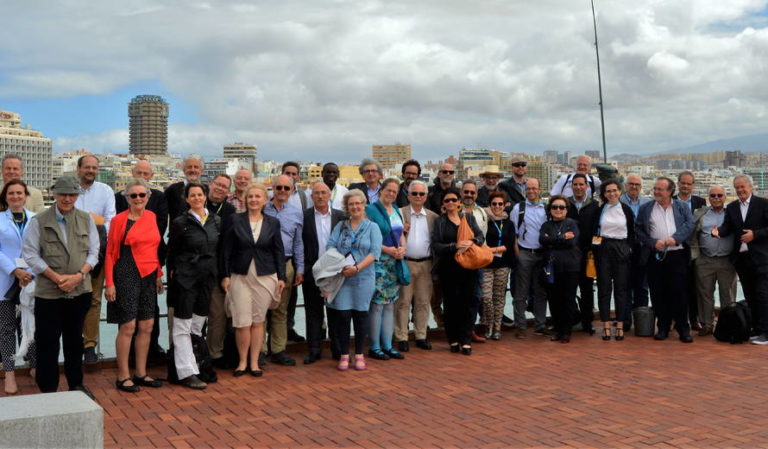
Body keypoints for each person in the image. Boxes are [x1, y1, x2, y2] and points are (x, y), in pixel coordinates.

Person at [22, 176, 99, 398]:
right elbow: (30, 254)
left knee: (75, 341)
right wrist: (55, 277)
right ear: (54, 195)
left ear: (77, 196)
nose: (67, 198)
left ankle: (76, 384)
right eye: (63, 194)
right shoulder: (39, 221)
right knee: (48, 343)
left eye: (72, 194)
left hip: (79, 290)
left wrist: (79, 275)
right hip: (49, 293)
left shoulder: (87, 220)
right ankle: (48, 390)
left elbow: (94, 252)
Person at [104, 179, 164, 393]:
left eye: (142, 195)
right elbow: (110, 253)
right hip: (125, 273)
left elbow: (154, 249)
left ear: (148, 197)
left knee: (147, 325)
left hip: (149, 275)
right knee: (128, 326)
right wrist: (109, 283)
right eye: (133, 195)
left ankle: (141, 372)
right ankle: (123, 375)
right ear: (126, 198)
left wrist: (158, 274)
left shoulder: (152, 216)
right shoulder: (119, 220)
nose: (138, 199)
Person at [220, 183, 285, 377]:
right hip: (239, 276)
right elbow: (226, 251)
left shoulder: (273, 222)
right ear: (245, 200)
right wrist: (224, 275)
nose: (254, 200)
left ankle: (255, 362)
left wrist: (281, 276)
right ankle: (242, 362)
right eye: (251, 197)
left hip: (265, 276)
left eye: (258, 197)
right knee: (242, 321)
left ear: (265, 200)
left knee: (258, 321)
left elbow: (278, 251)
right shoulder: (235, 220)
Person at [167, 183, 221, 389]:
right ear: (187, 199)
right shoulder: (180, 222)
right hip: (185, 278)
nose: (197, 198)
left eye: (200, 194)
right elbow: (172, 253)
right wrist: (174, 277)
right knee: (182, 325)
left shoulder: (216, 220)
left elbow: (220, 250)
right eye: (193, 195)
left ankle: (198, 365)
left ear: (205, 197)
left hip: (207, 278)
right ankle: (186, 372)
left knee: (198, 324)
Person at [114, 159, 168, 361]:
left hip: (152, 260)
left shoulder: (159, 198)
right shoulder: (120, 197)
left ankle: (151, 351)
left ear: (151, 177)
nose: (142, 177)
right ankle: (126, 359)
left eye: (146, 174)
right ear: (132, 172)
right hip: (126, 262)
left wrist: (143, 236)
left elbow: (161, 226)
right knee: (127, 316)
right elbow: (117, 227)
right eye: (139, 172)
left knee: (150, 313)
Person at [325, 189, 382, 371]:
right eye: (351, 204)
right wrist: (342, 266)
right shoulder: (341, 226)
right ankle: (343, 353)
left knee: (360, 315)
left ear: (364, 204)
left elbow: (375, 252)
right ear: (346, 207)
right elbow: (330, 246)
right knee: (342, 315)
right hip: (342, 277)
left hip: (364, 277)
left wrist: (357, 268)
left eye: (358, 203)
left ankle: (358, 353)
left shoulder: (372, 227)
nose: (355, 207)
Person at [635, 177, 695, 343]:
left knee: (680, 293)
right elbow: (638, 230)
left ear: (670, 191)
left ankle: (683, 328)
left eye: (660, 189)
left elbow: (690, 225)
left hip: (677, 255)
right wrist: (653, 243)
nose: (656, 192)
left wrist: (675, 239)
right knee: (658, 292)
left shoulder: (682, 207)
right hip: (656, 256)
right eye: (655, 189)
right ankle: (662, 327)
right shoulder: (646, 208)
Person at [712, 175, 768, 344]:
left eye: (743, 187)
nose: (740, 190)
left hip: (762, 258)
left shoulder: (763, 203)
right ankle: (756, 329)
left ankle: (766, 332)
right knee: (750, 296)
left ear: (751, 187)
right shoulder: (732, 207)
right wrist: (718, 232)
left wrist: (755, 235)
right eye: (737, 188)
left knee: (763, 295)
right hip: (742, 260)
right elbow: (728, 227)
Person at [432, 187, 484, 355]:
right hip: (449, 268)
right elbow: (436, 246)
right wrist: (454, 246)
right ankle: (453, 339)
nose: (451, 203)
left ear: (459, 202)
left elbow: (480, 237)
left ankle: (466, 339)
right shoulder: (440, 222)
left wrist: (471, 242)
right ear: (443, 204)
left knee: (468, 304)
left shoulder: (468, 218)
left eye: (454, 200)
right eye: (447, 200)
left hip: (468, 267)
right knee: (451, 305)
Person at [75, 154, 116, 365]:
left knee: (94, 300)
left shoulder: (105, 191)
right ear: (78, 169)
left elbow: (110, 222)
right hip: (71, 253)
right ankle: (73, 342)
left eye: (94, 168)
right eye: (87, 167)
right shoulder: (69, 189)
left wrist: (85, 220)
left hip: (97, 252)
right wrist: (94, 220)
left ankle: (89, 345)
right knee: (71, 299)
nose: (91, 170)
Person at [263, 175, 304, 366]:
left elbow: (298, 243)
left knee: (281, 309)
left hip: (286, 264)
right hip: (263, 263)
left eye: (286, 188)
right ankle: (260, 350)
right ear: (272, 188)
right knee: (261, 310)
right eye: (278, 187)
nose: (282, 191)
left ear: (292, 190)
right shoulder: (262, 208)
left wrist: (299, 268)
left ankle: (278, 349)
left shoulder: (296, 213)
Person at [301, 181, 345, 364]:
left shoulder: (341, 217)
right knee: (313, 313)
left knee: (336, 312)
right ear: (311, 197)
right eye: (316, 193)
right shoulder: (304, 217)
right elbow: (299, 244)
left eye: (323, 193)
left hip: (336, 272)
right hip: (312, 271)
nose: (320, 196)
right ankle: (314, 349)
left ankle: (337, 348)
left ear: (329, 196)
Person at [0, 180, 36, 394]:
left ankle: (34, 366)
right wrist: (15, 271)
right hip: (5, 279)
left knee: (31, 326)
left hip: (30, 280)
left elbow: (39, 248)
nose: (15, 196)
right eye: (11, 193)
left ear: (25, 195)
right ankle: (10, 373)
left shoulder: (36, 219)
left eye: (19, 193)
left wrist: (29, 273)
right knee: (6, 330)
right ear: (6, 197)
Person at [365, 178, 407, 360]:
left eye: (395, 192)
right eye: (388, 190)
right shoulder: (370, 210)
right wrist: (387, 249)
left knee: (390, 304)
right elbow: (368, 237)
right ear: (381, 191)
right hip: (379, 263)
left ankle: (388, 345)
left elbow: (401, 234)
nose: (391, 194)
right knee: (377, 306)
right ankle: (374, 347)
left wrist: (402, 249)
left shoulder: (396, 210)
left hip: (394, 263)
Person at [395, 180, 437, 352]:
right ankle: (402, 337)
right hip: (406, 263)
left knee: (423, 302)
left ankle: (421, 335)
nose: (418, 197)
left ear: (426, 196)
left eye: (421, 194)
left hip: (426, 264)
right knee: (403, 302)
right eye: (414, 193)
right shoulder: (399, 214)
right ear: (408, 195)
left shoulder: (433, 217)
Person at [689, 185, 736, 336]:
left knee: (727, 295)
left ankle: (728, 325)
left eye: (720, 195)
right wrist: (695, 256)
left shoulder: (732, 213)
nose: (716, 198)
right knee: (705, 294)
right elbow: (692, 234)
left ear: (725, 197)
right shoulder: (700, 213)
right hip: (705, 259)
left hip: (727, 260)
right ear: (709, 197)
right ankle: (707, 324)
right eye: (713, 195)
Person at [593, 180, 635, 341]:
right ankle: (605, 325)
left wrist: (629, 249)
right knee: (604, 288)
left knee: (621, 289)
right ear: (604, 194)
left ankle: (619, 325)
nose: (611, 194)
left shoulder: (626, 209)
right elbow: (594, 230)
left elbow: (632, 232)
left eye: (614, 190)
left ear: (620, 191)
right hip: (603, 248)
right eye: (608, 191)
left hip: (621, 248)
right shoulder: (600, 210)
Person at [510, 178, 549, 338]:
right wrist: (518, 254)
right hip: (524, 253)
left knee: (541, 292)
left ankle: (540, 325)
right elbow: (513, 234)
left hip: (541, 254)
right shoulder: (518, 208)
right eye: (529, 188)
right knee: (521, 293)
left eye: (534, 188)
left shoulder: (546, 208)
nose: (531, 191)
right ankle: (520, 326)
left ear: (540, 189)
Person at [539, 195, 581, 343]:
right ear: (550, 210)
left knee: (568, 300)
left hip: (570, 268)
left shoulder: (572, 223)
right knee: (554, 300)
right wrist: (562, 238)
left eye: (561, 207)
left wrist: (553, 241)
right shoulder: (546, 225)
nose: (558, 210)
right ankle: (558, 329)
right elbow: (542, 241)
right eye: (554, 207)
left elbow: (572, 242)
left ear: (566, 209)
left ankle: (566, 331)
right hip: (552, 268)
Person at [204, 174, 236, 363]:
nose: (219, 188)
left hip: (218, 269)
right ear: (210, 184)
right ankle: (194, 353)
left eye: (224, 187)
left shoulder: (230, 211)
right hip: (196, 269)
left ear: (228, 191)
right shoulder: (198, 202)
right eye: (217, 184)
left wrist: (225, 273)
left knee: (218, 314)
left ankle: (214, 353)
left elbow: (229, 244)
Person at [566, 174, 600, 335]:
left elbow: (597, 230)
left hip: (587, 254)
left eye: (581, 184)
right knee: (569, 289)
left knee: (587, 290)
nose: (578, 187)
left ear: (587, 186)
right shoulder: (565, 204)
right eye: (575, 184)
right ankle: (571, 320)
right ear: (571, 186)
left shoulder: (594, 205)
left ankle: (587, 322)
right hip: (569, 254)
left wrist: (593, 249)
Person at [480, 191, 515, 340]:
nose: (497, 206)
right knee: (486, 297)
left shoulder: (508, 223)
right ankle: (488, 324)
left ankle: (497, 328)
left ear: (504, 205)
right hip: (486, 263)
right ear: (490, 205)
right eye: (494, 204)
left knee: (499, 297)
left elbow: (509, 244)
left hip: (503, 264)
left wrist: (493, 249)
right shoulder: (483, 221)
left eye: (500, 204)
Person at [674, 171, 706, 331]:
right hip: (675, 248)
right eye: (683, 183)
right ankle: (676, 319)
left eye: (689, 183)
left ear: (693, 186)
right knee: (675, 286)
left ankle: (694, 319)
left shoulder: (700, 202)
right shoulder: (670, 201)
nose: (685, 186)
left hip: (694, 250)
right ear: (678, 183)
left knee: (694, 286)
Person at [619, 174, 652, 331]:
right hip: (623, 249)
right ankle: (624, 321)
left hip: (642, 249)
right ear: (625, 185)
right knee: (624, 286)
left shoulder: (648, 202)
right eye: (631, 184)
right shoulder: (618, 202)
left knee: (642, 287)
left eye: (637, 185)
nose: (634, 187)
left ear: (641, 187)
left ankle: (642, 320)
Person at [460, 180, 488, 343]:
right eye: (466, 192)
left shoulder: (482, 212)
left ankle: (470, 329)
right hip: (459, 260)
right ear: (461, 192)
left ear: (477, 194)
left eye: (472, 192)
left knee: (476, 297)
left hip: (477, 260)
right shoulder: (454, 209)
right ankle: (458, 330)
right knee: (459, 298)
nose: (469, 195)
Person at [165, 155, 205, 221]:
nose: (192, 170)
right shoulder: (172, 190)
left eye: (196, 167)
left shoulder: (207, 190)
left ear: (201, 171)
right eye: (189, 167)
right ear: (184, 170)